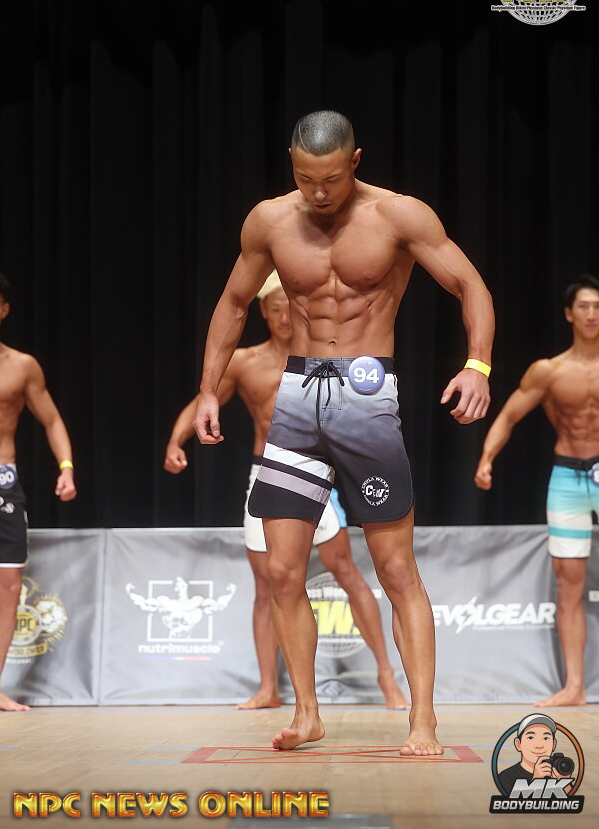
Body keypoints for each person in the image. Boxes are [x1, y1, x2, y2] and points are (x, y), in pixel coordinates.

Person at [194, 110, 494, 753]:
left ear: (355, 162)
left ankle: (422, 720)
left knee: (396, 568)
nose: (318, 192)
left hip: (366, 394)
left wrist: (478, 365)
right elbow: (234, 303)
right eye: (306, 178)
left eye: (330, 179)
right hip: (296, 397)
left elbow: (469, 284)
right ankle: (307, 713)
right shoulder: (269, 220)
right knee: (281, 570)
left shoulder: (398, 216)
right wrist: (208, 390)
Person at [165, 273, 408, 710]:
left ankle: (386, 676)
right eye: (274, 309)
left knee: (346, 572)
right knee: (269, 583)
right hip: (268, 471)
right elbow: (204, 400)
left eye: (287, 307)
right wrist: (175, 440)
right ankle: (268, 688)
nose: (282, 316)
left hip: (319, 472)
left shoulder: (325, 358)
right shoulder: (245, 362)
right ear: (264, 311)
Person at [475, 274, 599, 708]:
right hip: (567, 479)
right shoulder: (549, 371)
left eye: (597, 307)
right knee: (569, 584)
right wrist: (487, 458)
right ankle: (575, 686)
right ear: (569, 314)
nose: (591, 314)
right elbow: (509, 416)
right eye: (583, 306)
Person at [0, 273, 77, 711]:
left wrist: (66, 467)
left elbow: (51, 420)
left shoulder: (22, 366)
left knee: (9, 586)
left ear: (4, 310)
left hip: (3, 482)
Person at [498, 714, 574, 796]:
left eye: (546, 738)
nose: (539, 745)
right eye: (531, 738)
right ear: (518, 744)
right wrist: (536, 781)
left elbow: (572, 801)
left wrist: (564, 783)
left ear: (554, 745)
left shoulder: (558, 772)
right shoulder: (506, 777)